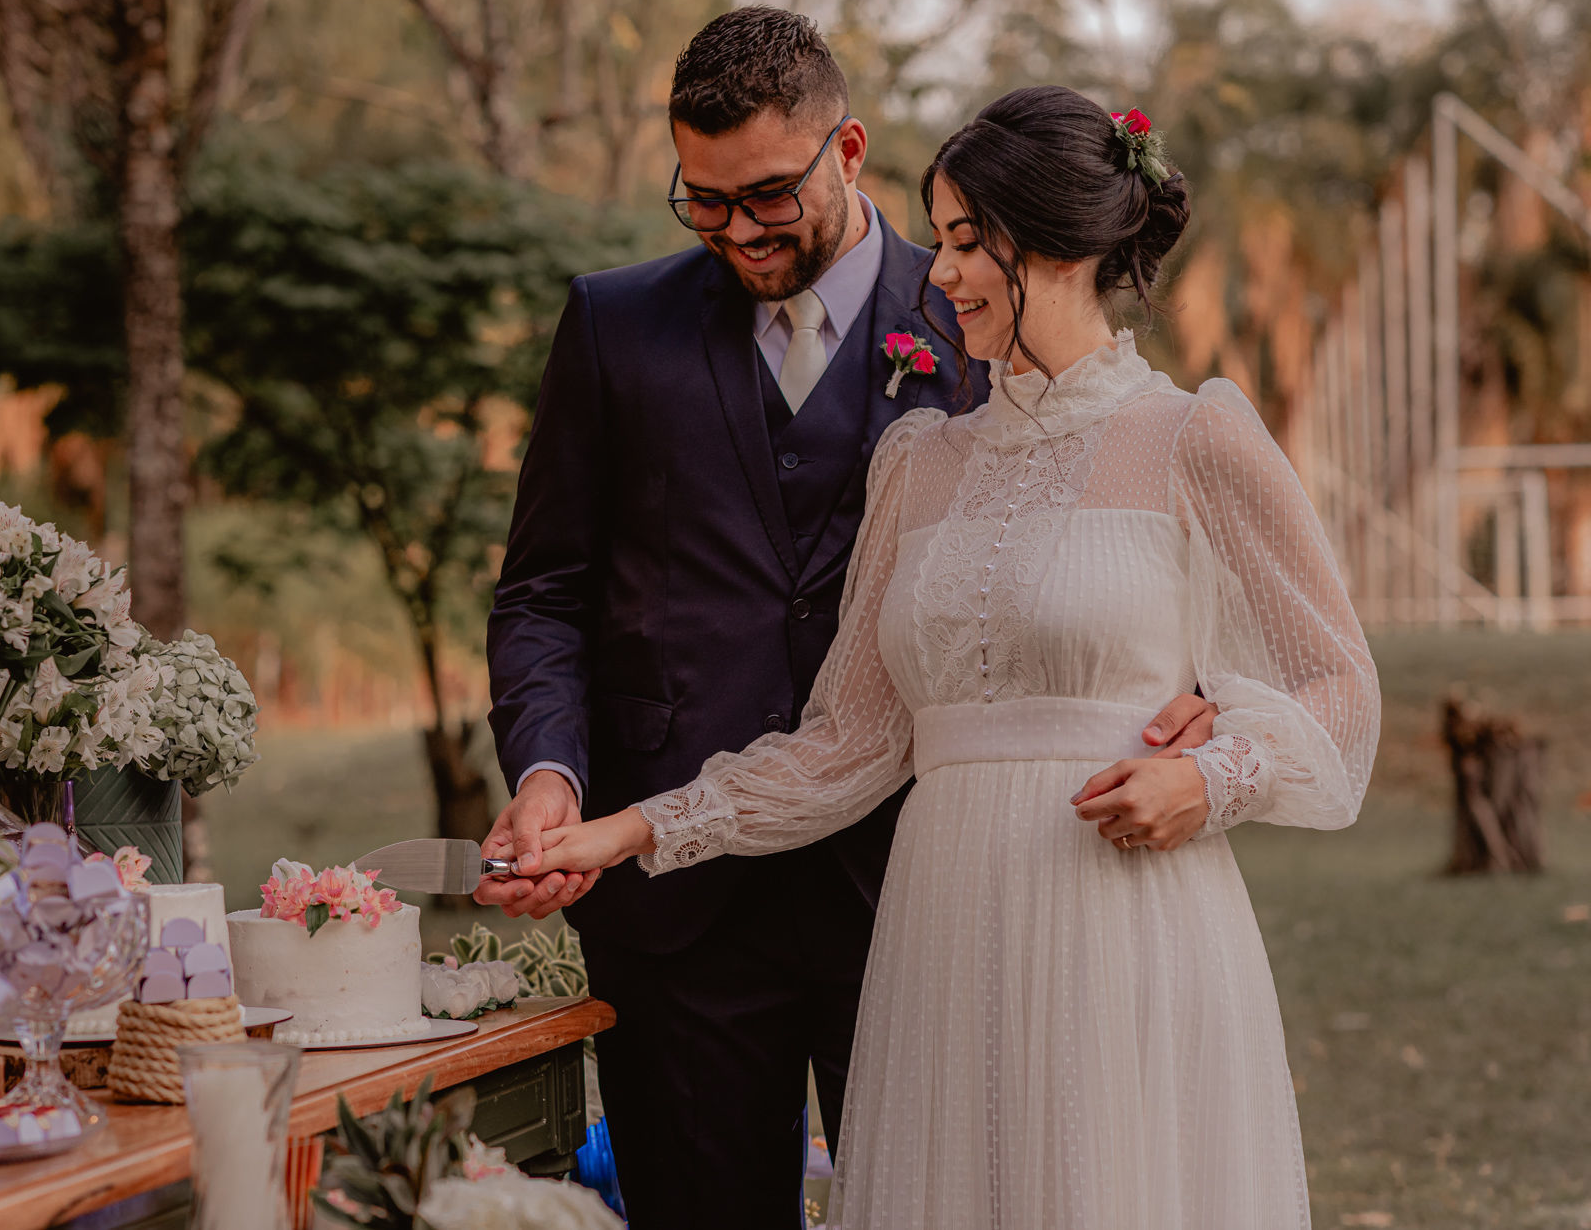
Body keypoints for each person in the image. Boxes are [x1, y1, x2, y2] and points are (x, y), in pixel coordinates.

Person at [530, 84, 1382, 1228]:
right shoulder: (919, 465)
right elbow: (855, 740)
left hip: (1121, 926)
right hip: (941, 926)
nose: (941, 273)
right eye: (946, 238)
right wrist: (626, 830)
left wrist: (1213, 776)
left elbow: (1337, 683)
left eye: (973, 242)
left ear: (1067, 246)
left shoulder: (1195, 435)